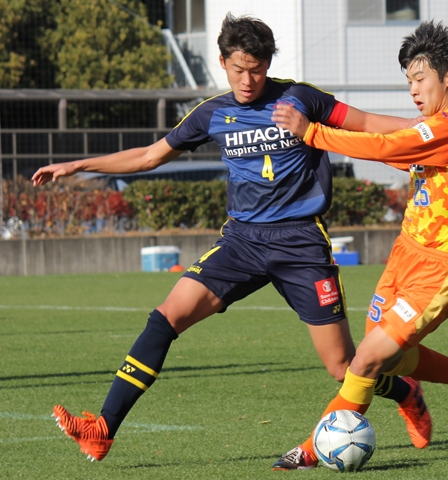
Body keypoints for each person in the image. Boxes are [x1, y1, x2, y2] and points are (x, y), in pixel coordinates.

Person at [32, 13, 426, 462]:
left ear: (267, 64)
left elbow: (371, 124)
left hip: (300, 244)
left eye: (256, 69)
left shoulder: (301, 98)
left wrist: (434, 134)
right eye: (238, 69)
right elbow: (148, 156)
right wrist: (77, 166)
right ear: (222, 62)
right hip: (241, 242)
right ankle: (103, 427)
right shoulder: (213, 112)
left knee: (342, 367)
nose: (247, 79)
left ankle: (405, 392)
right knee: (165, 318)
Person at [270, 20, 448, 470]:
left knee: (368, 359)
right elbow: (398, 146)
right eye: (408, 81)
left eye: (420, 78)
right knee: (389, 359)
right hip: (405, 256)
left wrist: (311, 132)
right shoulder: (434, 125)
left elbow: (386, 146)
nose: (413, 89)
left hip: (440, 268)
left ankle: (314, 448)